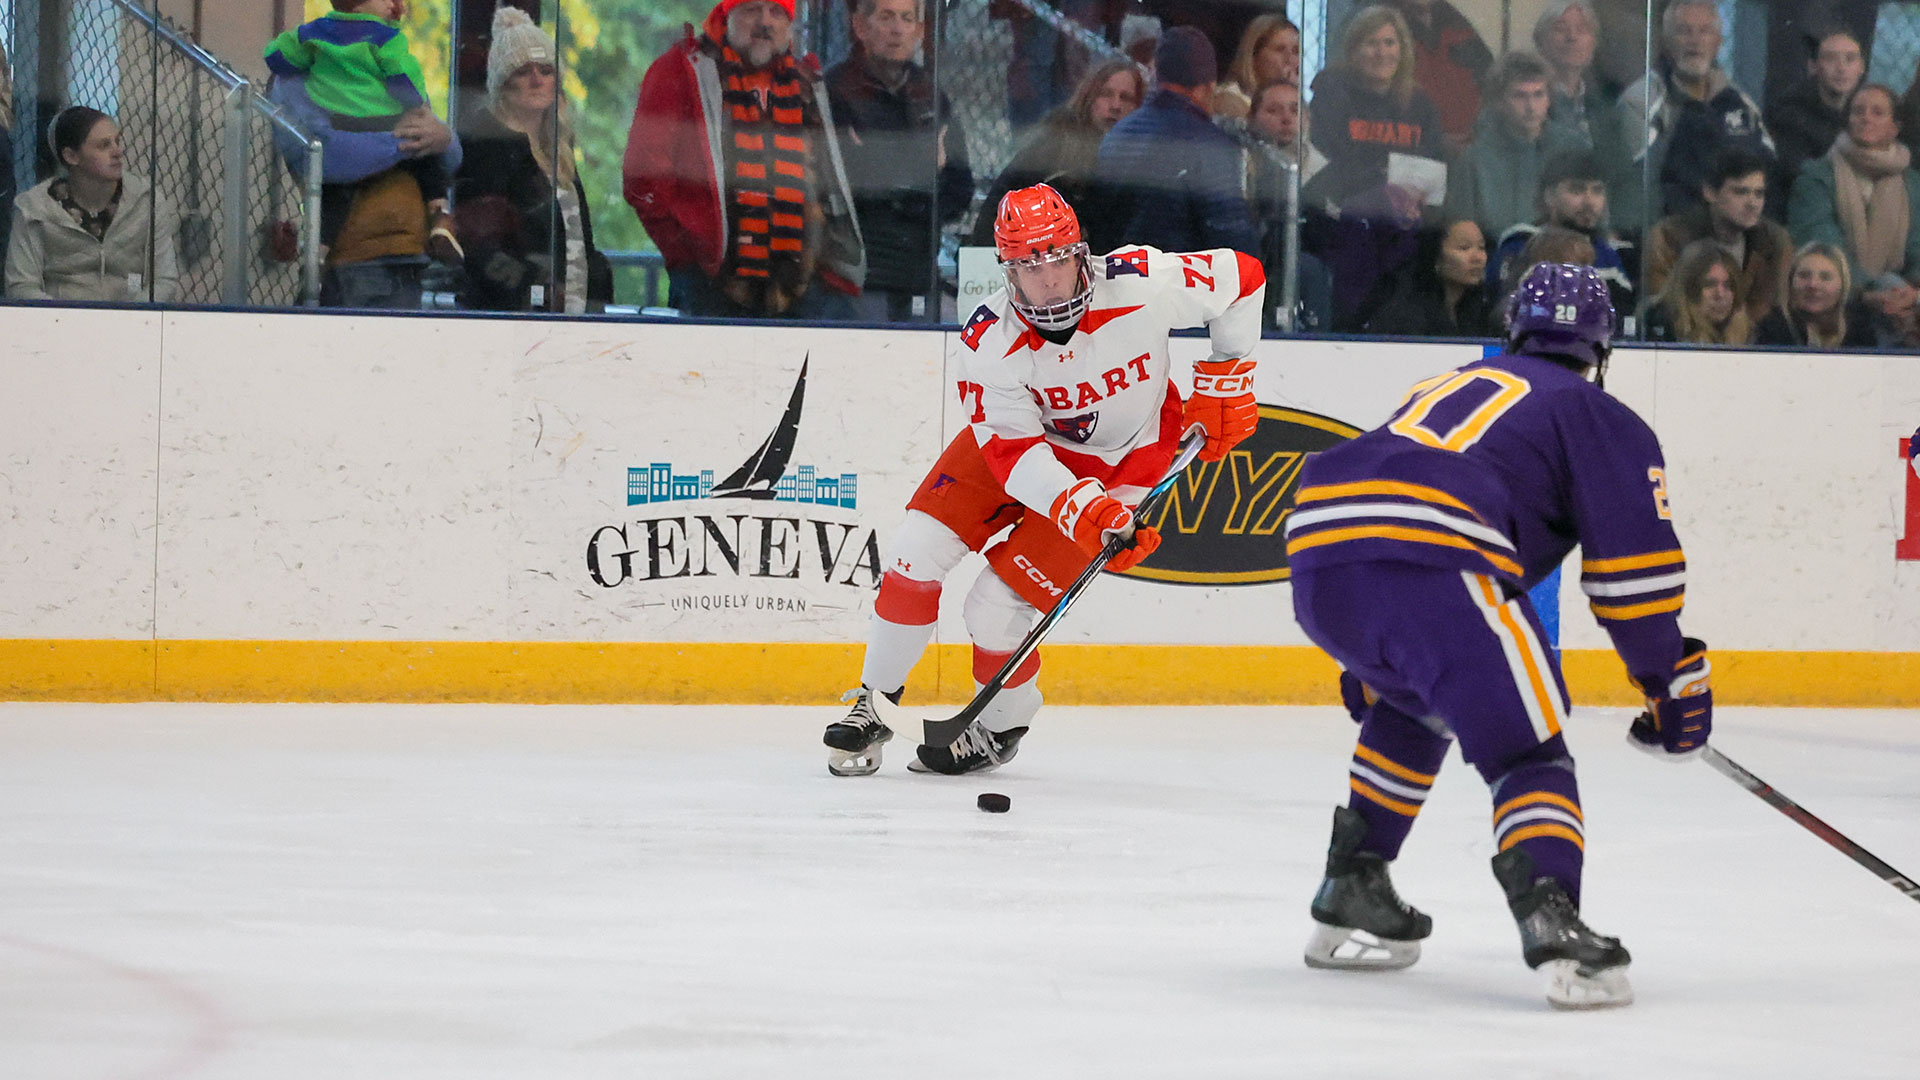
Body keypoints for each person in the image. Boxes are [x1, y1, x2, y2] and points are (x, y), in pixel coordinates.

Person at [1286, 261, 1713, 1010]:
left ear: (1512, 332)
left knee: (1416, 705)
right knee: (1528, 747)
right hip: (1432, 555)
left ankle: (1353, 881)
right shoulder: (1596, 413)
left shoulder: (1451, 385)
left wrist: (1384, 649)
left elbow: (1389, 499)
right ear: (1600, 350)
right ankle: (1552, 917)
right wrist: (1668, 679)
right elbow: (1632, 580)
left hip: (1321, 548)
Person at [823, 183, 1264, 777]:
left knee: (993, 610)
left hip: (1124, 464)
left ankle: (1001, 726)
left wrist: (1226, 375)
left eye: (1058, 258)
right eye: (1030, 266)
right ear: (1007, 272)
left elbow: (1244, 277)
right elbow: (1017, 456)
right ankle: (873, 702)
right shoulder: (989, 341)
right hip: (1024, 450)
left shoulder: (1143, 283)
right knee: (914, 552)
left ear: (1082, 253)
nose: (1049, 279)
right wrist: (1082, 512)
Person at [623, 0, 865, 320]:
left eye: (777, 12)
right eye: (752, 8)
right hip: (709, 288)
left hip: (803, 290)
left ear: (789, 25)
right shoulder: (680, 71)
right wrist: (689, 256)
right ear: (727, 13)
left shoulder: (809, 83)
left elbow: (833, 183)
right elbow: (643, 181)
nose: (764, 22)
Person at [265, 0, 460, 262]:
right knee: (423, 154)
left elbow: (278, 55)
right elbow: (406, 80)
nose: (396, 4)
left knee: (333, 193)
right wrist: (415, 107)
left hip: (341, 119)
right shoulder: (385, 37)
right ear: (357, 5)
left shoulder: (312, 33)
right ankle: (440, 214)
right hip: (383, 121)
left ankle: (318, 254)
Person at [269, 59, 464, 310]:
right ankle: (317, 253)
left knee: (427, 160)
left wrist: (442, 137)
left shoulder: (389, 73)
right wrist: (402, 141)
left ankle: (440, 217)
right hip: (361, 258)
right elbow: (328, 157)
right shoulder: (299, 82)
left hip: (407, 255)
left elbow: (450, 157)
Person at [453, 5, 611, 314]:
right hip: (509, 316)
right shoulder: (484, 146)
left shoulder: (558, 148)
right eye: (523, 71)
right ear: (501, 83)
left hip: (574, 314)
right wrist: (536, 288)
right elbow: (477, 247)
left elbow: (578, 241)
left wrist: (595, 287)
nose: (537, 80)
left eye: (546, 70)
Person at [825, 0, 972, 323]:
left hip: (917, 271)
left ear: (920, 31)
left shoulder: (932, 95)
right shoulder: (834, 90)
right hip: (855, 276)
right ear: (860, 26)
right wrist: (922, 170)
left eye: (907, 19)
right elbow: (838, 184)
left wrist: (897, 181)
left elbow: (960, 188)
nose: (897, 29)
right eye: (886, 16)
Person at [1090, 27, 1257, 257]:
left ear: (1155, 75)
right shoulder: (1211, 146)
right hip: (1184, 284)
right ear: (1206, 89)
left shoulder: (1117, 136)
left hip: (1123, 280)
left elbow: (1102, 227)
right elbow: (1233, 243)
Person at [1617, 0, 1772, 226]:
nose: (1695, 41)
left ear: (1718, 42)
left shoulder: (1741, 104)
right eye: (1683, 31)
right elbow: (1637, 186)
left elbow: (1769, 170)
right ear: (1666, 42)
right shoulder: (1640, 102)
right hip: (1673, 232)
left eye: (1704, 31)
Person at [5, 107, 179, 303]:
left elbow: (164, 280)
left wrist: (131, 319)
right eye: (104, 145)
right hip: (58, 325)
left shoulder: (147, 200)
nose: (118, 152)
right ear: (71, 156)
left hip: (132, 324)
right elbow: (21, 287)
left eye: (117, 141)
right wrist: (65, 322)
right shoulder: (34, 209)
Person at [969, 58, 1143, 247]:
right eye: (1106, 94)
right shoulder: (1056, 142)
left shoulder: (1140, 155)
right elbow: (1002, 200)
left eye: (1125, 97)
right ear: (1089, 97)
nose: (1115, 105)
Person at [1788, 83, 1920, 332]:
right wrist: (1872, 291)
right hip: (1839, 297)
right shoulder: (1816, 177)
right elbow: (1824, 246)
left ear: (1895, 128)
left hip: (1903, 301)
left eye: (1877, 113)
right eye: (1858, 111)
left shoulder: (1913, 184)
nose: (1866, 118)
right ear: (1848, 120)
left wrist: (1910, 294)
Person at [1304, 5, 1446, 216]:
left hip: (1410, 218)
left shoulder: (1420, 105)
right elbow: (1324, 166)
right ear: (1353, 50)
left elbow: (1434, 166)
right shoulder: (1331, 95)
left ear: (1402, 49)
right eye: (1371, 43)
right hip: (1345, 215)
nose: (1382, 53)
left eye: (1389, 43)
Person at [1444, 51, 1587, 245]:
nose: (1531, 106)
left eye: (1538, 94)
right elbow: (1459, 229)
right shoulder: (1475, 158)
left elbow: (1593, 219)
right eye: (1520, 96)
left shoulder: (1574, 149)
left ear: (1549, 99)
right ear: (1500, 101)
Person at [1646, 147, 1791, 326]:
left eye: (1759, 194)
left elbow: (1776, 314)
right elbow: (1664, 308)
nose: (1752, 203)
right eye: (1741, 192)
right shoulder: (1670, 237)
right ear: (1710, 192)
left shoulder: (1775, 242)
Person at [1490, 150, 1633, 317]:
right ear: (1549, 196)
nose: (1589, 201)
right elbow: (1503, 312)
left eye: (1597, 191)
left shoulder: (1607, 254)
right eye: (1576, 190)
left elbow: (1622, 318)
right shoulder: (1522, 243)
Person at [1378, 0, 1493, 152]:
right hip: (1410, 160)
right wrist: (1432, 140)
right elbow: (1365, 111)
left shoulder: (1455, 21)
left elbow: (1494, 85)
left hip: (1470, 155)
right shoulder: (1377, 23)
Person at [1768, 27, 1866, 194]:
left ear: (1861, 67)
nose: (1841, 68)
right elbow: (1796, 176)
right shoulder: (1790, 115)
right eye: (1831, 59)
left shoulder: (1865, 113)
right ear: (1813, 66)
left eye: (1850, 59)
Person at [1360, 218, 1489, 338]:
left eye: (1481, 247)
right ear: (1435, 256)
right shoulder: (1405, 316)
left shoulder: (1480, 310)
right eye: (1464, 248)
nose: (1478, 258)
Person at [1533, 1, 1623, 163]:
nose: (1572, 37)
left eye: (1582, 29)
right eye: (1560, 29)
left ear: (1594, 43)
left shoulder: (1606, 108)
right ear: (1540, 41)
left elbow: (1621, 170)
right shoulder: (1526, 101)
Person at [1755, 240, 1875, 348]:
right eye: (1804, 275)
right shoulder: (1771, 329)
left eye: (1825, 277)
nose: (1813, 285)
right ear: (1790, 282)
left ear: (1843, 286)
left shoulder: (1860, 330)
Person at [1642, 239, 1753, 345]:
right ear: (1688, 289)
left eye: (1728, 286)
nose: (1720, 294)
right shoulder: (1661, 328)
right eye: (1709, 284)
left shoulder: (1750, 337)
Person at [1213, 13, 1300, 121]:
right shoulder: (1230, 101)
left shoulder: (1297, 106)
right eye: (1280, 49)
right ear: (1253, 55)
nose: (1290, 59)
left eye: (1296, 51)